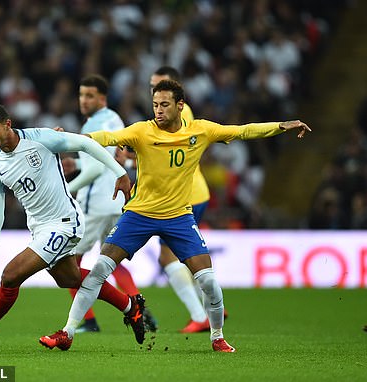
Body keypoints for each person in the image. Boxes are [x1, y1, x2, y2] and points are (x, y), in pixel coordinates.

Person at [40, 79, 311, 352]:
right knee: (99, 269)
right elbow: (103, 138)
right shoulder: (142, 131)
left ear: (180, 106)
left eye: (165, 104)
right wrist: (65, 139)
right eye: (155, 104)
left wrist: (282, 126)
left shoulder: (200, 130)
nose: (158, 110)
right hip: (139, 214)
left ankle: (217, 336)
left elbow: (242, 131)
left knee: (208, 281)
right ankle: (68, 332)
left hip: (179, 218)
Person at [0, 103, 146, 350]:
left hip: (65, 223)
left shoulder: (40, 139)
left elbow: (85, 144)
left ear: (7, 125)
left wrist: (119, 173)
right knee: (70, 278)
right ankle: (130, 306)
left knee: (10, 276)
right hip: (40, 229)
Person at [60, 74, 158, 333]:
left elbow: (93, 173)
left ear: (101, 98)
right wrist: (78, 163)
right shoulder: (115, 120)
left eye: (89, 95)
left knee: (68, 263)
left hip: (94, 206)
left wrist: (65, 190)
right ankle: (141, 310)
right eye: (81, 95)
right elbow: (110, 162)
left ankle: (89, 321)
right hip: (116, 203)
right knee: (112, 261)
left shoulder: (92, 127)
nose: (84, 100)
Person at [150, 66, 213, 333]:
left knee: (170, 257)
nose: (154, 91)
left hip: (184, 195)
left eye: (160, 86)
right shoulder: (173, 111)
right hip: (192, 192)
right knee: (181, 256)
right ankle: (208, 305)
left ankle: (201, 314)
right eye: (152, 86)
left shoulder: (177, 114)